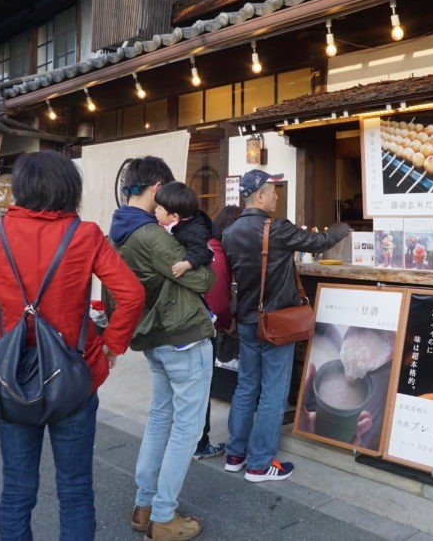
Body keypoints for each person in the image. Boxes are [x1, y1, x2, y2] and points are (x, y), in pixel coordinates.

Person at [0, 150, 145, 541]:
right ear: (69, 189)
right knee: (74, 490)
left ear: (20, 188)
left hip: (11, 379)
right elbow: (132, 294)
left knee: (17, 490)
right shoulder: (85, 234)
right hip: (74, 376)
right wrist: (110, 347)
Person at [108, 156, 214, 541]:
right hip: (181, 336)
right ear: (155, 189)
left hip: (154, 335)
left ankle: (144, 506)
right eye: (166, 192)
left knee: (159, 419)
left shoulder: (118, 230)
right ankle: (165, 516)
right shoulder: (152, 235)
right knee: (185, 428)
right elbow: (202, 280)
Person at [221, 169, 350, 482]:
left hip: (247, 321)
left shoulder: (229, 232)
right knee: (273, 392)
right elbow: (317, 242)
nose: (277, 197)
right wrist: (341, 227)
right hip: (277, 324)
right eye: (273, 191)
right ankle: (259, 464)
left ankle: (235, 454)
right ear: (260, 195)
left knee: (246, 386)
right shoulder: (276, 229)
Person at [193, 204, 241, 461]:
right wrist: (226, 322)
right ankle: (200, 444)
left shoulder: (205, 246)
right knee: (201, 388)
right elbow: (221, 302)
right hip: (204, 328)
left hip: (190, 327)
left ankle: (192, 441)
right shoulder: (218, 254)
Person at [154, 181, 214, 279]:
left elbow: (200, 251)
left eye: (159, 208)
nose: (155, 210)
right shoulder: (175, 221)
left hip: (198, 269)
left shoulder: (192, 232)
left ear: (174, 216)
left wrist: (186, 265)